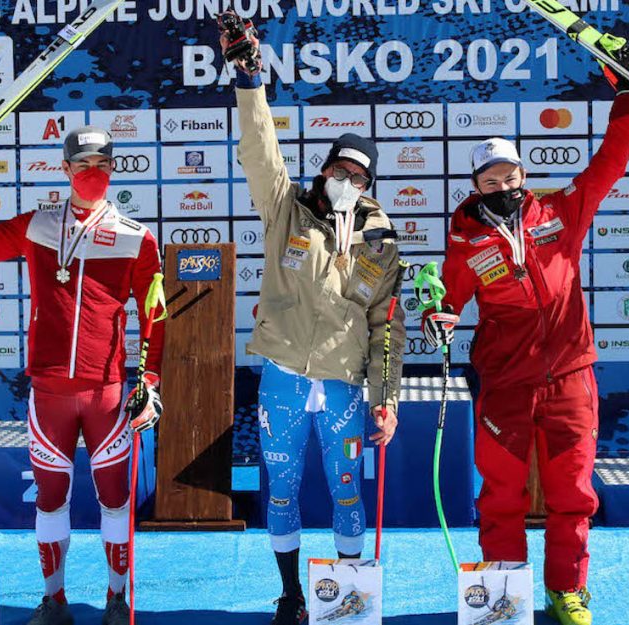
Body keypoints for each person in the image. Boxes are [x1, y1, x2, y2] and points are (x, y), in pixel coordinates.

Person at [422, 69, 629, 625]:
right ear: (476, 186)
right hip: (505, 383)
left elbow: (609, 164)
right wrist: (437, 315)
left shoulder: (562, 213)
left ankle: (566, 591)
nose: (503, 187)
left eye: (510, 175)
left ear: (524, 173)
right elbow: (449, 295)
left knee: (573, 492)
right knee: (501, 495)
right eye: (490, 182)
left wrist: (627, 102)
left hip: (570, 375)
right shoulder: (465, 238)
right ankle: (504, 594)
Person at [0, 125, 165, 625]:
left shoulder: (136, 238)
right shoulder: (37, 225)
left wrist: (149, 386)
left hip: (106, 393)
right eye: (82, 165)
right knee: (49, 500)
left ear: (113, 170)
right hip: (49, 394)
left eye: (102, 165)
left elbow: (156, 317)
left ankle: (115, 598)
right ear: (64, 170)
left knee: (114, 498)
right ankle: (54, 601)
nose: (93, 174)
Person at [220, 14, 405, 625]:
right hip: (283, 378)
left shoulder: (379, 241)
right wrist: (250, 81)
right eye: (338, 170)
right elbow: (259, 150)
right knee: (279, 489)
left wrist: (387, 397)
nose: (345, 181)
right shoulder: (287, 209)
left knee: (347, 488)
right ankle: (291, 596)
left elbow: (385, 327)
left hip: (346, 386)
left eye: (357, 176)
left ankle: (348, 599)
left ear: (368, 183)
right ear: (324, 169)